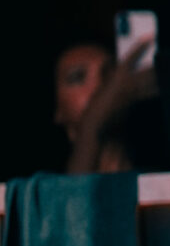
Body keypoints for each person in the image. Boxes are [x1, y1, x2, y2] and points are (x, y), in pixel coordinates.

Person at [53, 35, 155, 175]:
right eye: (77, 77)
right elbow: (75, 187)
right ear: (58, 109)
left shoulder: (158, 175)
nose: (99, 85)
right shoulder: (40, 186)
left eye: (109, 73)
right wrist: (93, 122)